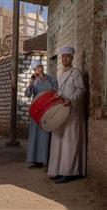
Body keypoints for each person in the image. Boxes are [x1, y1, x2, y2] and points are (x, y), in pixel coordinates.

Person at [48, 47, 87, 184]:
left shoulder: (75, 73)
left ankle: (70, 172)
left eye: (67, 57)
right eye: (63, 56)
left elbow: (81, 89)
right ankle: (59, 170)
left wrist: (70, 100)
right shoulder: (61, 74)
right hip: (62, 112)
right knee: (60, 141)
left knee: (70, 142)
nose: (65, 59)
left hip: (73, 113)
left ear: (72, 58)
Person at [25, 60, 58, 168]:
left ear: (42, 67)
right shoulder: (34, 81)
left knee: (45, 134)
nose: (38, 70)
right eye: (35, 69)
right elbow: (28, 94)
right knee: (34, 135)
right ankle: (33, 160)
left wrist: (44, 78)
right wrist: (30, 82)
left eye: (39, 67)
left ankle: (45, 160)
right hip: (36, 110)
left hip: (48, 108)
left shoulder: (50, 78)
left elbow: (55, 89)